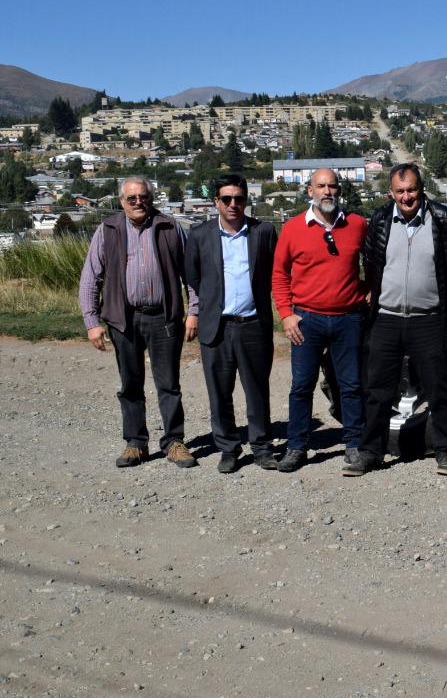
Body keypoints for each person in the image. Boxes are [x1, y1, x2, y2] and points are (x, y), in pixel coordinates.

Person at [344, 163, 447, 478]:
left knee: (439, 388)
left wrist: (434, 294)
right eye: (400, 191)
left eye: (411, 190)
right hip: (386, 318)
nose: (406, 196)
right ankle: (371, 452)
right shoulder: (381, 220)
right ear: (391, 193)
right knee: (378, 390)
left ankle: (444, 451)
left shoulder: (442, 220)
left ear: (421, 189)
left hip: (427, 318)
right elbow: (371, 262)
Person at [78, 175, 197, 469]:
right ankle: (135, 443)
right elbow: (90, 278)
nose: (138, 202)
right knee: (130, 384)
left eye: (143, 196)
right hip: (124, 318)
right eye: (131, 198)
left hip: (164, 317)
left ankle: (174, 442)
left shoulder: (171, 227)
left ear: (151, 198)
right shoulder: (108, 230)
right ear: (122, 201)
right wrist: (92, 321)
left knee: (168, 383)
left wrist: (193, 311)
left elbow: (191, 276)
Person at [271, 167, 367, 473]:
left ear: (339, 191)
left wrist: (370, 291)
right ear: (309, 191)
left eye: (332, 186)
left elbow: (378, 261)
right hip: (307, 321)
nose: (327, 191)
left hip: (348, 319)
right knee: (302, 386)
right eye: (320, 186)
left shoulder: (356, 225)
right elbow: (279, 275)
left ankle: (354, 444)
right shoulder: (293, 228)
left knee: (351, 385)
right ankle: (297, 447)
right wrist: (286, 314)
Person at [184, 174, 279, 474]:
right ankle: (228, 448)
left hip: (253, 324)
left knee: (257, 390)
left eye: (239, 198)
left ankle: (261, 447)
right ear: (216, 202)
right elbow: (193, 277)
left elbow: (277, 273)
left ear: (246, 201)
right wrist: (199, 312)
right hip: (217, 326)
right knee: (219, 392)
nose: (233, 204)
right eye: (227, 199)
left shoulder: (263, 232)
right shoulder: (199, 235)